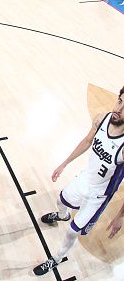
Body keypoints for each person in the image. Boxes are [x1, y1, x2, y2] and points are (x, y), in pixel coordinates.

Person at [32, 85, 124, 276]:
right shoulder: (102, 119)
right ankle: (63, 215)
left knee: (73, 231)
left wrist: (120, 217)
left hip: (99, 195)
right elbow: (87, 141)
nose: (118, 109)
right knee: (60, 201)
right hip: (84, 178)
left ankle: (56, 259)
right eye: (120, 101)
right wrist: (64, 163)